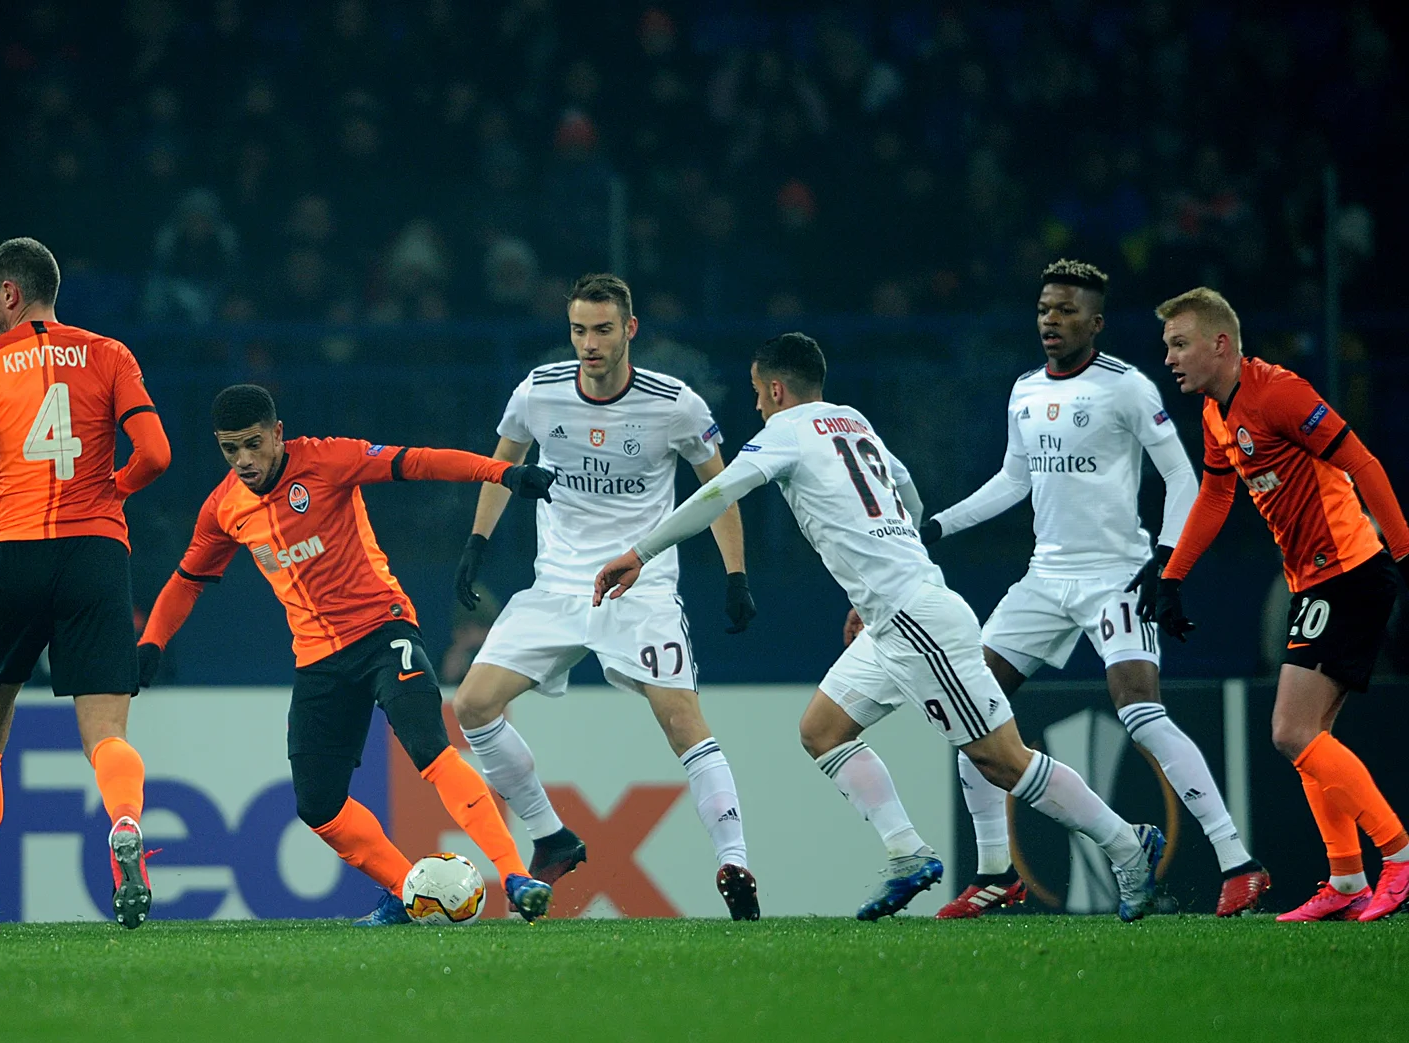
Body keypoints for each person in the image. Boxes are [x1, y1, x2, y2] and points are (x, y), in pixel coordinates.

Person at [595, 333, 1166, 921]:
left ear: (776, 389)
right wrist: (891, 567)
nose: (757, 404)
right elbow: (906, 488)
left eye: (758, 392)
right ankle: (907, 853)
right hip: (893, 615)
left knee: (1001, 759)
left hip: (916, 620)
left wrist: (640, 552)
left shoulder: (784, 431)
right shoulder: (852, 421)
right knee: (822, 730)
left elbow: (716, 493)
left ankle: (1128, 844)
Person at [134, 384, 560, 926]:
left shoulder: (328, 459)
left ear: (277, 433)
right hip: (318, 661)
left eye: (253, 444)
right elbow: (187, 579)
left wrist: (502, 474)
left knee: (431, 750)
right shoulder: (224, 508)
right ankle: (407, 892)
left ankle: (516, 876)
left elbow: (418, 462)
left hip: (383, 631)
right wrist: (151, 642)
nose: (243, 460)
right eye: (229, 449)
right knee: (318, 805)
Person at [917, 260, 1266, 918]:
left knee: (1139, 710)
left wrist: (1167, 563)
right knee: (971, 708)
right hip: (1044, 578)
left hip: (1116, 575)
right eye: (1044, 309)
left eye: (1067, 310)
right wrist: (940, 524)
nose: (1051, 320)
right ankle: (996, 873)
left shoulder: (1126, 387)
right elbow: (1013, 480)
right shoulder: (1024, 390)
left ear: (1096, 323)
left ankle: (1238, 862)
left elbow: (1182, 478)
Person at [451, 272, 761, 920]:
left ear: (629, 330)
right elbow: (502, 467)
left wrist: (735, 574)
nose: (589, 344)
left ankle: (735, 862)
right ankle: (552, 837)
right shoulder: (538, 393)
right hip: (557, 586)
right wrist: (476, 543)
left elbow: (720, 491)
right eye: (578, 330)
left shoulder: (675, 405)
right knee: (473, 705)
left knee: (681, 720)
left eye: (602, 330)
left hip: (639, 586)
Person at [0, 237, 172, 938]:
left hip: (14, 549)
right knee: (106, 734)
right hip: (97, 552)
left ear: (10, 291)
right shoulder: (110, 353)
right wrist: (113, 491)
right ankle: (125, 821)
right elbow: (156, 454)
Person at [1150, 287, 1409, 922]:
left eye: (1180, 344)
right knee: (1309, 736)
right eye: (1167, 346)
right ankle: (1346, 880)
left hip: (1349, 571)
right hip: (1312, 581)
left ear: (1220, 344)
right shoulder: (1215, 412)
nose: (1169, 358)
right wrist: (1171, 577)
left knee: (1290, 730)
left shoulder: (1280, 394)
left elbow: (1362, 462)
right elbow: (1216, 498)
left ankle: (1399, 856)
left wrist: (1405, 553)